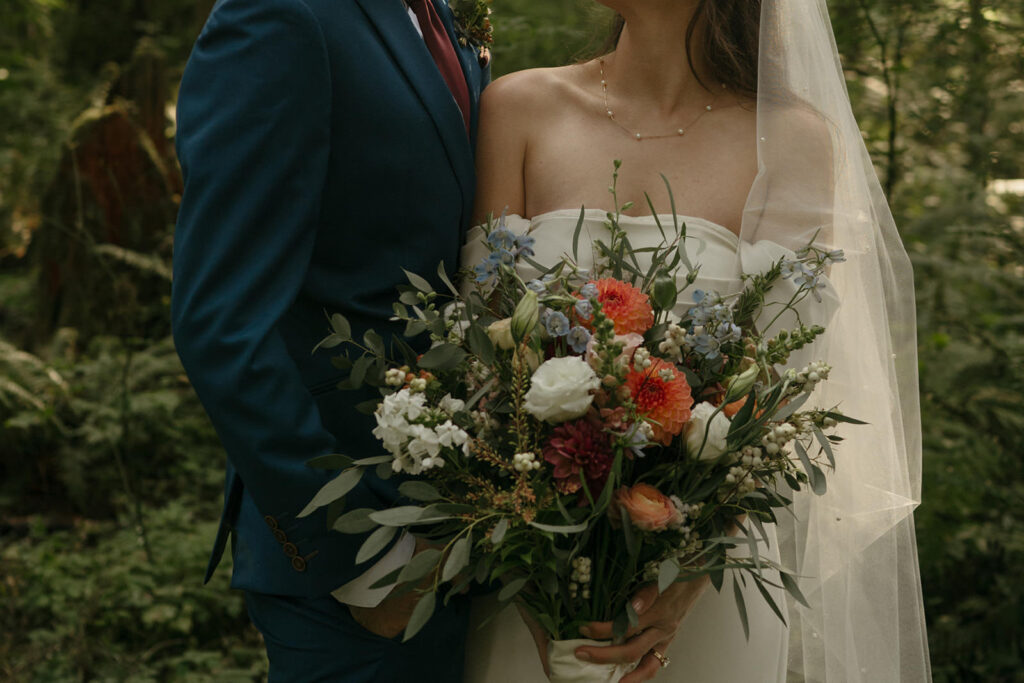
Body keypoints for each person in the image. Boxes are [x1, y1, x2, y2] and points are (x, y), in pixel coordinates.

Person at [463, 0, 931, 681]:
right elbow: (483, 360)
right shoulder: (518, 109)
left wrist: (688, 577)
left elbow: (778, 394)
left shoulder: (792, 139)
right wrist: (533, 576)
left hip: (704, 588)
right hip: (530, 570)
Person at [170, 0, 489, 680]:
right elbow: (221, 321)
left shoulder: (434, 14)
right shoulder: (277, 15)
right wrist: (362, 559)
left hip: (467, 534)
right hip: (359, 570)